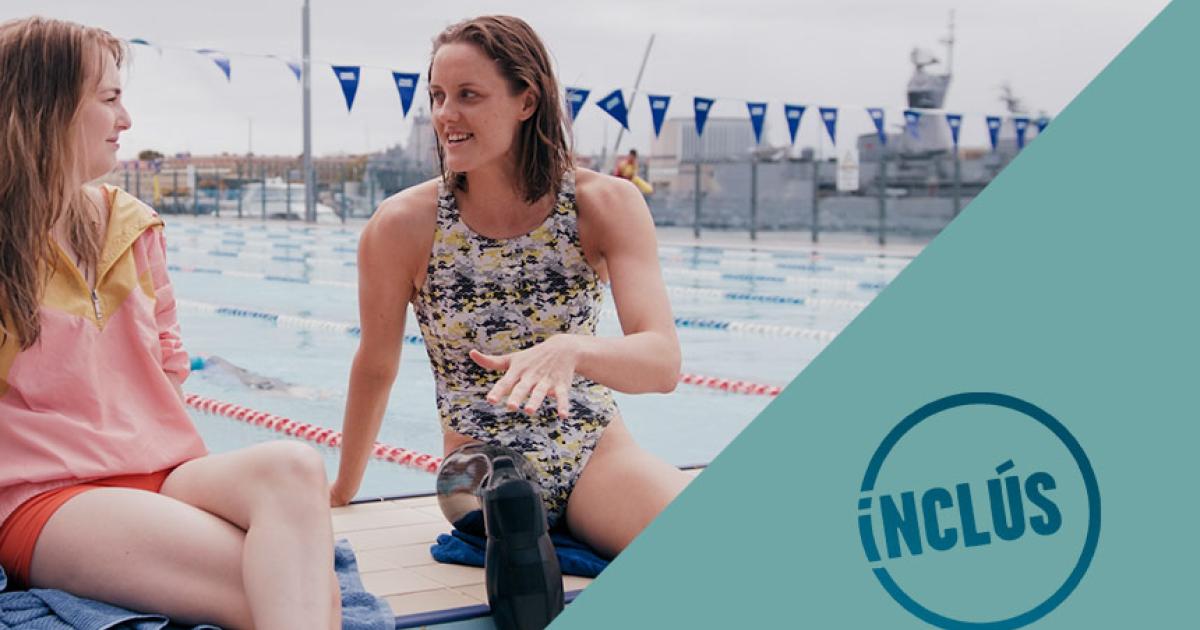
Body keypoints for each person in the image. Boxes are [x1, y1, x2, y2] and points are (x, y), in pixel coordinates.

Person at [0, 17, 340, 629]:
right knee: (292, 589)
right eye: (109, 99)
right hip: (50, 493)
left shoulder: (131, 226)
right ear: (46, 108)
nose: (126, 119)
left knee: (295, 467)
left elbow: (170, 365)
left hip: (168, 471)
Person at [331, 15, 690, 558]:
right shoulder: (403, 225)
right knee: (514, 513)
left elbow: (662, 362)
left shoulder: (605, 204)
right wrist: (342, 490)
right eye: (437, 96)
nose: (445, 114)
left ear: (527, 100)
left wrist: (571, 349)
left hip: (594, 452)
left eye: (468, 95)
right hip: (480, 466)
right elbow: (376, 365)